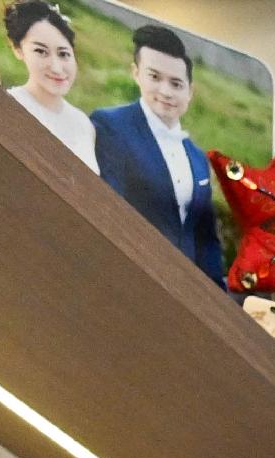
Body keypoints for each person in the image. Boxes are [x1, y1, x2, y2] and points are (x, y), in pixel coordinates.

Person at [89, 20, 221, 280]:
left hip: (189, 294)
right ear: (136, 73)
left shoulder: (197, 157)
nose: (165, 91)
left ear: (190, 92)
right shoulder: (111, 126)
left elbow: (206, 239)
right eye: (154, 77)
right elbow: (109, 211)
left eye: (176, 83)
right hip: (131, 280)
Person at [2, 0, 94, 163]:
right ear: (18, 50)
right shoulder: (8, 105)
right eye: (41, 51)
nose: (57, 68)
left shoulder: (83, 124)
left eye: (63, 54)